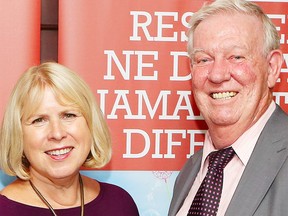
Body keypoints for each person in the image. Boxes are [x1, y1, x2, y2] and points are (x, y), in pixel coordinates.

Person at [169, 0, 287, 215]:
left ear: (272, 68)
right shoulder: (190, 172)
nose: (217, 74)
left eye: (236, 57)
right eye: (204, 59)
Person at [0, 62, 139, 216]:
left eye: (68, 115)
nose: (57, 133)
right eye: (39, 120)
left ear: (90, 124)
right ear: (18, 134)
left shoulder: (119, 204)